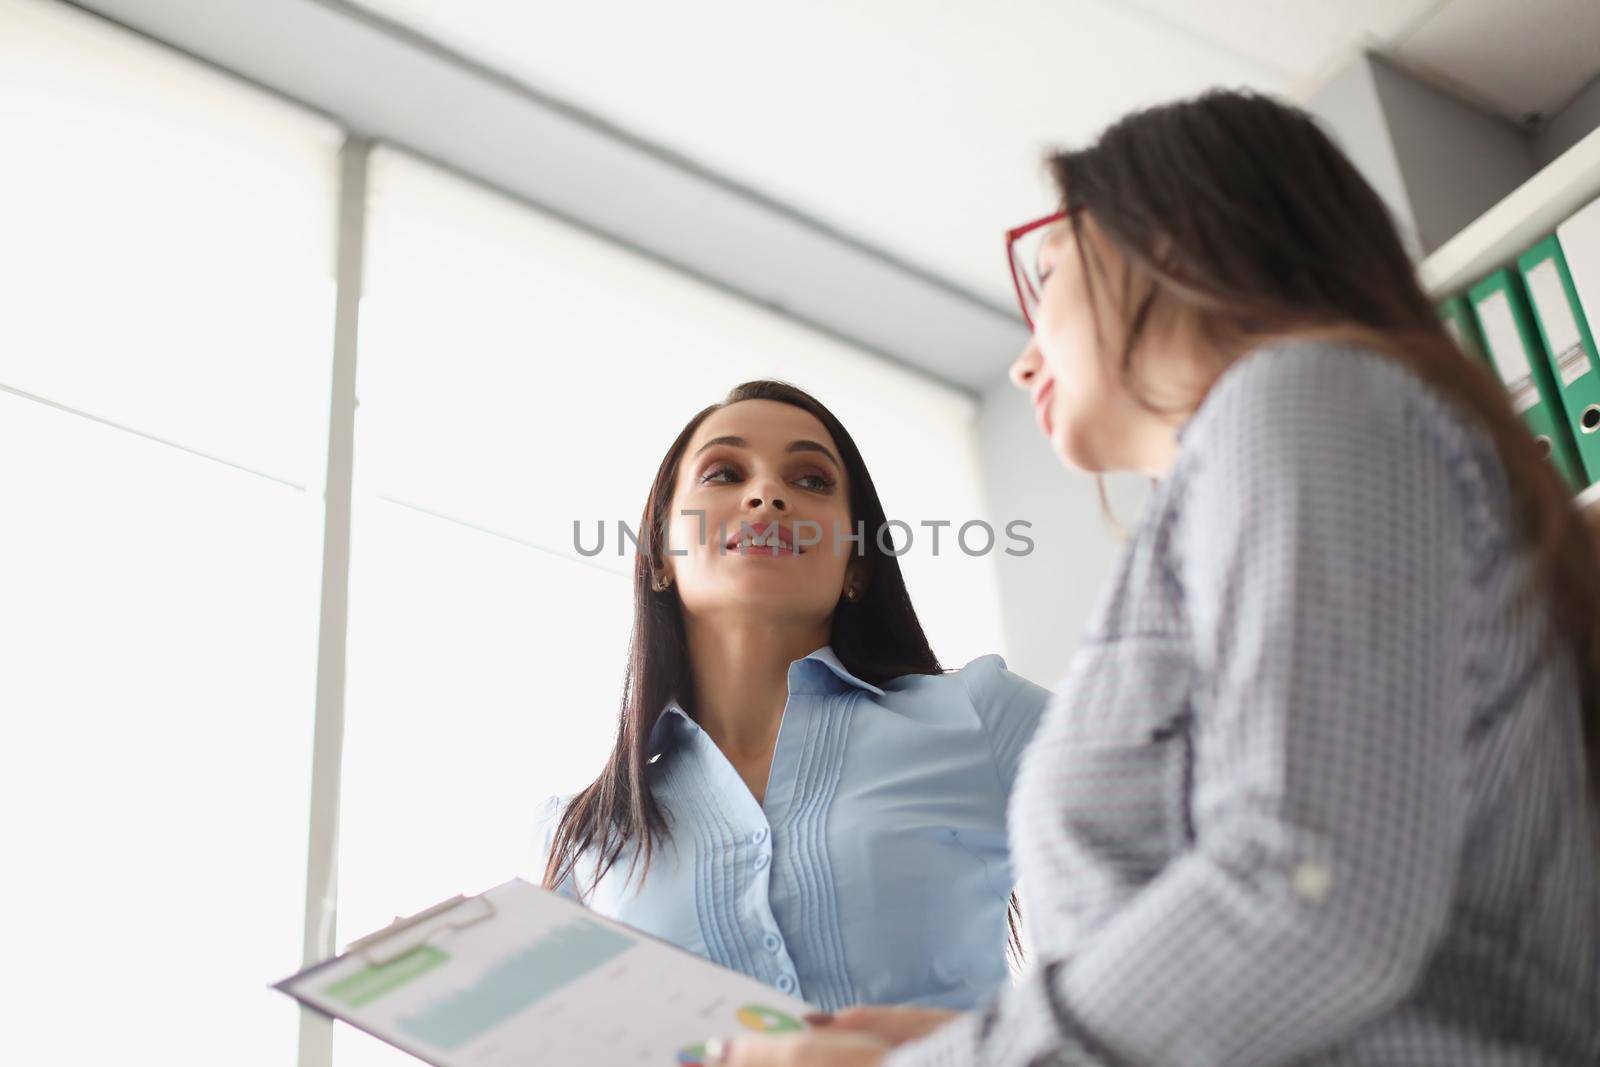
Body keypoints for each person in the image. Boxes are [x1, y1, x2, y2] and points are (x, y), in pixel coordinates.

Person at [711, 89, 1600, 1067]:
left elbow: (1308, 891)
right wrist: (980, 1037)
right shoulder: (1260, 469)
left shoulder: (1306, 399)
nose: (1020, 362)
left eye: (1042, 273)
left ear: (1171, 236)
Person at [536, 379, 1051, 1013]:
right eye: (724, 472)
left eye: (811, 481)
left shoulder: (981, 715)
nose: (766, 495)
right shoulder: (582, 840)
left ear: (857, 565)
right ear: (660, 555)